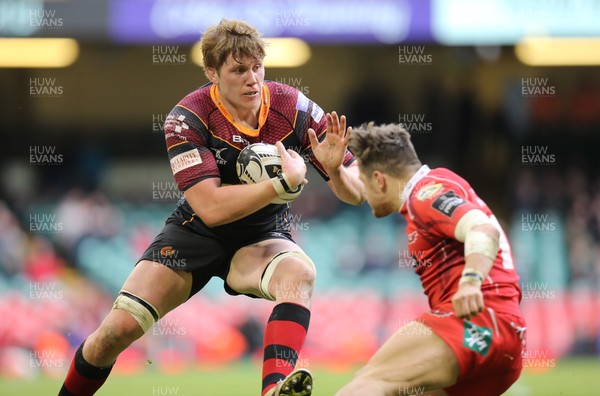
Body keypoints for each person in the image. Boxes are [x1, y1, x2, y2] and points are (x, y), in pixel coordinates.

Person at [58, 19, 364, 396]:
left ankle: (272, 390)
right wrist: (281, 185)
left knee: (300, 275)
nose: (252, 79)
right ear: (212, 72)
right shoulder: (187, 117)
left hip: (262, 234)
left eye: (257, 67)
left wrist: (336, 171)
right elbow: (211, 208)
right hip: (195, 232)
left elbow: (357, 192)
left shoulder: (292, 107)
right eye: (238, 70)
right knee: (114, 333)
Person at [336, 123, 526, 396]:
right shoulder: (440, 184)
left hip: (478, 320)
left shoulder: (424, 194)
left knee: (369, 383)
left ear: (379, 179)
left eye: (365, 183)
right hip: (507, 340)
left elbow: (483, 229)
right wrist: (334, 170)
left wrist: (471, 281)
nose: (364, 196)